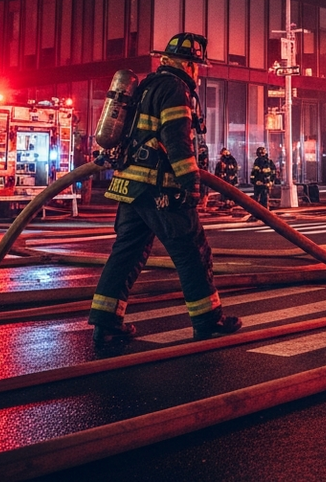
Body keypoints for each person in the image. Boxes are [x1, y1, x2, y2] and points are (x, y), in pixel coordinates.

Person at [88, 33, 241, 345]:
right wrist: (191, 184)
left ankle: (105, 321)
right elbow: (176, 140)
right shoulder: (175, 88)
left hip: (130, 188)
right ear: (188, 64)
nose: (198, 71)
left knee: (126, 254)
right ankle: (208, 320)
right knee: (192, 252)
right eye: (197, 65)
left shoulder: (147, 86)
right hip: (159, 189)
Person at [250, 146, 277, 211]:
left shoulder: (268, 162)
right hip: (261, 184)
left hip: (263, 184)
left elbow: (273, 173)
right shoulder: (259, 161)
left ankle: (262, 212)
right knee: (260, 198)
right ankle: (261, 211)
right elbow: (254, 173)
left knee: (262, 199)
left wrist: (270, 181)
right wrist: (254, 181)